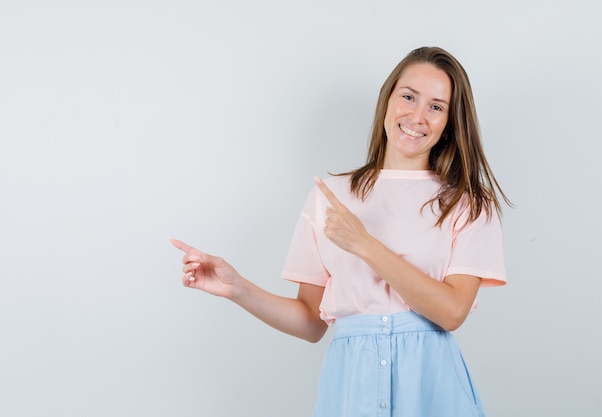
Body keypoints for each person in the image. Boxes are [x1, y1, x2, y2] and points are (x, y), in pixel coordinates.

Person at [171, 46, 509, 417]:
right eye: (409, 97)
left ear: (449, 122)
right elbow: (311, 322)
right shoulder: (331, 196)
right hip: (351, 386)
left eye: (436, 106)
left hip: (433, 387)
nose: (417, 115)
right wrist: (238, 289)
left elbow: (452, 312)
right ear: (388, 99)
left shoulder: (468, 203)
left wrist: (364, 244)